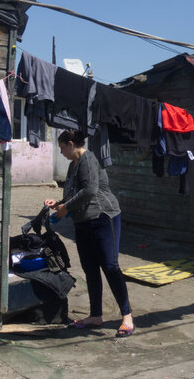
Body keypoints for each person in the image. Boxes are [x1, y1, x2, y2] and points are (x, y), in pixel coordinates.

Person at [44, 130, 135, 337]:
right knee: (90, 268)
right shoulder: (71, 165)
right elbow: (72, 194)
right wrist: (58, 203)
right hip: (82, 221)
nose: (61, 152)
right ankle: (95, 315)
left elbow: (91, 190)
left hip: (103, 217)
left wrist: (66, 207)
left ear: (70, 144)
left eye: (62, 147)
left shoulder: (89, 158)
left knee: (110, 266)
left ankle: (127, 316)